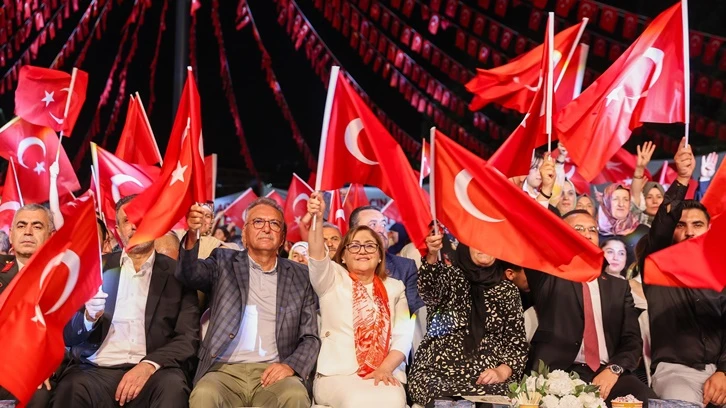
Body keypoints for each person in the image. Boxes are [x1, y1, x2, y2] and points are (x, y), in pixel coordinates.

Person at [53, 195, 200, 408]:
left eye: (141, 218)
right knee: (71, 388)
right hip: (95, 371)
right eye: (127, 220)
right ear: (118, 230)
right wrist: (87, 318)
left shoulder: (178, 274)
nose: (134, 225)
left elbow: (188, 337)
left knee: (173, 388)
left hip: (153, 372)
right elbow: (67, 334)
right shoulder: (94, 268)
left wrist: (149, 364)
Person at [178, 198, 319, 408]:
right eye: (258, 222)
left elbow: (310, 337)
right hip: (223, 370)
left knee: (295, 395)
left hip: (274, 371)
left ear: (282, 237)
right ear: (244, 234)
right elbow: (189, 274)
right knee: (205, 394)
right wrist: (192, 235)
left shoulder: (300, 276)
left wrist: (290, 366)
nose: (266, 229)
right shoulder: (223, 261)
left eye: (274, 224)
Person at [525, 209, 656, 403]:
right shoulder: (549, 277)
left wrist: (614, 370)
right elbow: (535, 239)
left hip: (607, 372)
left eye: (592, 230)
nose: (587, 234)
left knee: (648, 400)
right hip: (559, 373)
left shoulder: (618, 287)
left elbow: (632, 340)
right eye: (578, 228)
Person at [640, 138, 726, 406]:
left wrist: (724, 371)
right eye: (681, 225)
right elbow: (661, 227)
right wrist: (682, 179)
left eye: (697, 225)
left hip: (721, 372)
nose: (689, 231)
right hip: (676, 372)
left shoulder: (720, 274)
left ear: (708, 230)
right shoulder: (656, 264)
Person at [307, 192, 413, 407]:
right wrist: (317, 219)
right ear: (343, 255)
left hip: (385, 371)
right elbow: (317, 254)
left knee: (392, 400)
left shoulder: (396, 287)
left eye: (370, 246)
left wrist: (385, 368)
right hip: (337, 375)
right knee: (357, 401)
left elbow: (404, 334)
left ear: (380, 255)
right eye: (354, 246)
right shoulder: (331, 279)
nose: (362, 251)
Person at [409, 232, 527, 407]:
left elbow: (516, 344)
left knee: (499, 399)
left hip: (486, 377)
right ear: (466, 246)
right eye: (478, 242)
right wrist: (432, 255)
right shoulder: (448, 278)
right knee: (440, 399)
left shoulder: (507, 291)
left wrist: (502, 371)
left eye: (491, 244)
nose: (485, 248)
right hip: (437, 372)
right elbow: (429, 290)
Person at [0, 204, 56, 407]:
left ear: (51, 236)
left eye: (37, 226)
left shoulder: (65, 275)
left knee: (38, 394)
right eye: (21, 225)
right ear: (11, 234)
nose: (28, 232)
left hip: (40, 368)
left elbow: (70, 335)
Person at [349, 206, 424, 316]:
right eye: (373, 224)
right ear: (353, 232)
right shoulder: (341, 267)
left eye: (383, 224)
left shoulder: (405, 267)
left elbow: (415, 312)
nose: (381, 230)